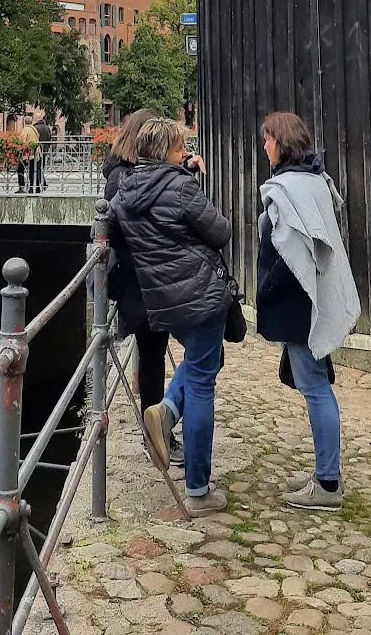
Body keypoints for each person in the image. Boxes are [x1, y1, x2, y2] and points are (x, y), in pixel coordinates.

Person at [110, 116, 233, 516]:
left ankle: (166, 412)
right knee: (202, 381)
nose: (185, 153)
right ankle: (198, 489)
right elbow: (220, 231)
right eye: (180, 148)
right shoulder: (181, 187)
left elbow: (108, 231)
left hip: (162, 302)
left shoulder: (124, 193)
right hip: (200, 294)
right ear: (166, 152)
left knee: (204, 362)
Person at [256, 111, 361, 511]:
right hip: (307, 298)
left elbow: (292, 252)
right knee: (316, 385)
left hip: (300, 303)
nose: (265, 146)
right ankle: (325, 472)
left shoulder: (287, 189)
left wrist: (267, 289)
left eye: (267, 139)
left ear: (280, 143)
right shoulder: (317, 182)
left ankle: (328, 484)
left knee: (316, 388)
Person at [104, 110, 177, 461]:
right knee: (151, 353)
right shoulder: (123, 177)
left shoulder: (123, 172)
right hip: (140, 277)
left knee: (153, 353)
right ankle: (156, 439)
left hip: (145, 275)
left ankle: (159, 432)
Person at [32, 107, 53, 193]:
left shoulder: (35, 128)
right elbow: (49, 138)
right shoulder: (47, 127)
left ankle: (39, 185)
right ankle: (42, 184)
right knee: (41, 167)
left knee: (36, 168)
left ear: (36, 119)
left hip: (38, 150)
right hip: (45, 150)